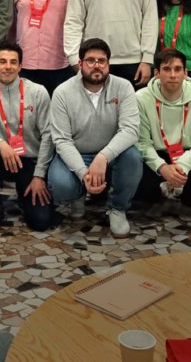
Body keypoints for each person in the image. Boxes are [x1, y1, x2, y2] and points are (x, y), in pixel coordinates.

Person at [48, 38, 142, 238]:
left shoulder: (124, 87)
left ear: (109, 64)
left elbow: (131, 130)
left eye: (102, 61)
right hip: (77, 154)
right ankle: (78, 195)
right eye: (91, 60)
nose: (97, 65)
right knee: (60, 185)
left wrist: (103, 156)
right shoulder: (62, 92)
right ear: (80, 64)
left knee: (133, 157)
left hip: (110, 157)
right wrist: (84, 173)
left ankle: (117, 208)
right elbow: (62, 140)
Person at [0, 42, 54, 232]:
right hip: (3, 158)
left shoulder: (38, 92)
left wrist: (39, 175)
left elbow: (48, 135)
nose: (8, 66)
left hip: (30, 162)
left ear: (20, 66)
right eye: (2, 62)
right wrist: (1, 144)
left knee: (40, 222)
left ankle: (25, 197)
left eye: (13, 62)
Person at [134, 49, 191, 220]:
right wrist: (162, 167)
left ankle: (189, 203)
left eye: (178, 69)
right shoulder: (141, 98)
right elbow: (141, 142)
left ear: (186, 73)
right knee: (134, 161)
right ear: (156, 73)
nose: (173, 75)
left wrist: (184, 165)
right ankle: (154, 199)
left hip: (188, 152)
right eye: (167, 69)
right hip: (158, 152)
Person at [13, 0, 74, 95]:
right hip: (26, 63)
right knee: (27, 112)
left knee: (59, 114)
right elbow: (12, 20)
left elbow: (79, 21)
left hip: (60, 64)